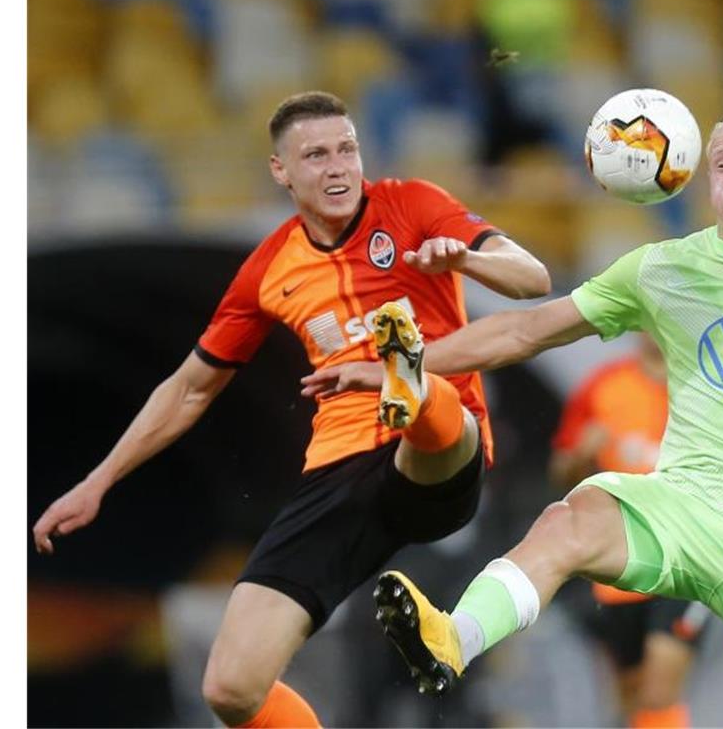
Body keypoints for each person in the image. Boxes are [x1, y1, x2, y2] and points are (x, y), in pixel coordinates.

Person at [302, 111, 723, 728]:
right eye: (722, 165)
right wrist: (408, 366)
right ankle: (454, 638)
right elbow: (527, 330)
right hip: (683, 506)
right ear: (702, 179)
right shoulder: (662, 268)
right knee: (568, 521)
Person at [31, 91, 551, 729]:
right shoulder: (268, 268)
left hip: (438, 458)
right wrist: (99, 481)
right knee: (231, 687)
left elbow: (532, 278)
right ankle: (404, 372)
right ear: (281, 171)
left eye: (347, 150)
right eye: (315, 155)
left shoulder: (414, 205)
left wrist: (467, 257)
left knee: (427, 408)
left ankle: (407, 376)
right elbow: (190, 387)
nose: (337, 168)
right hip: (336, 477)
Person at [550, 333, 711, 729]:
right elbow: (561, 471)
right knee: (630, 691)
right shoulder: (603, 387)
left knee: (660, 684)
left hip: (686, 562)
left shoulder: (707, 392)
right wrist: (582, 456)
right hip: (620, 567)